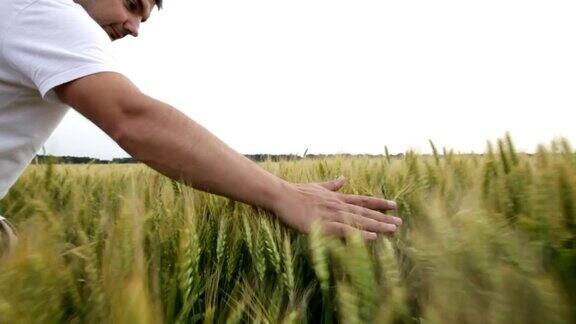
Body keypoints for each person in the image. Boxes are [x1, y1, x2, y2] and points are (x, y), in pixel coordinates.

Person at [0, 0, 402, 258]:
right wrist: (282, 195)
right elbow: (133, 119)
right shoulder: (45, 9)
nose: (135, 28)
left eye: (143, 18)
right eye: (131, 4)